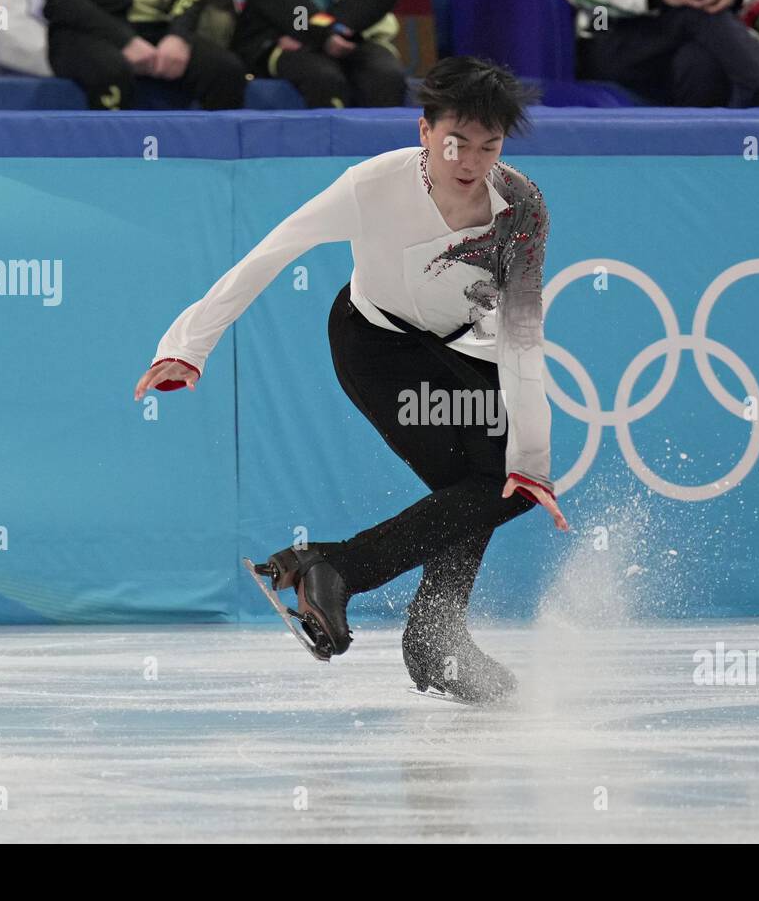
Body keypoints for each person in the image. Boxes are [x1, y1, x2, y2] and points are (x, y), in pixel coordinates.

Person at [133, 57, 569, 703]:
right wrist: (187, 348)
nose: (470, 160)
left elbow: (523, 333)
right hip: (378, 349)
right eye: (456, 142)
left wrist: (532, 457)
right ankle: (356, 585)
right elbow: (269, 255)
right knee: (475, 487)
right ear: (425, 131)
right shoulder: (371, 185)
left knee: (506, 485)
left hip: (465, 351)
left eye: (488, 145)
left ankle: (417, 626)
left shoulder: (521, 206)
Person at [559, 0, 759, 107]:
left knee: (699, 61)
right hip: (612, 39)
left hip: (687, 41)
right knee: (696, 12)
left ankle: (700, 161)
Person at [42, 0, 250, 110]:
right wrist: (125, 40)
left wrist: (178, 36)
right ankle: (113, 167)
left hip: (159, 28)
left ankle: (214, 168)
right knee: (111, 72)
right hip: (87, 31)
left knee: (225, 70)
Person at [232, 0, 408, 108]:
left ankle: (385, 154)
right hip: (283, 35)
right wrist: (321, 32)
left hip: (356, 31)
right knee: (324, 78)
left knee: (386, 76)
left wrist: (337, 28)